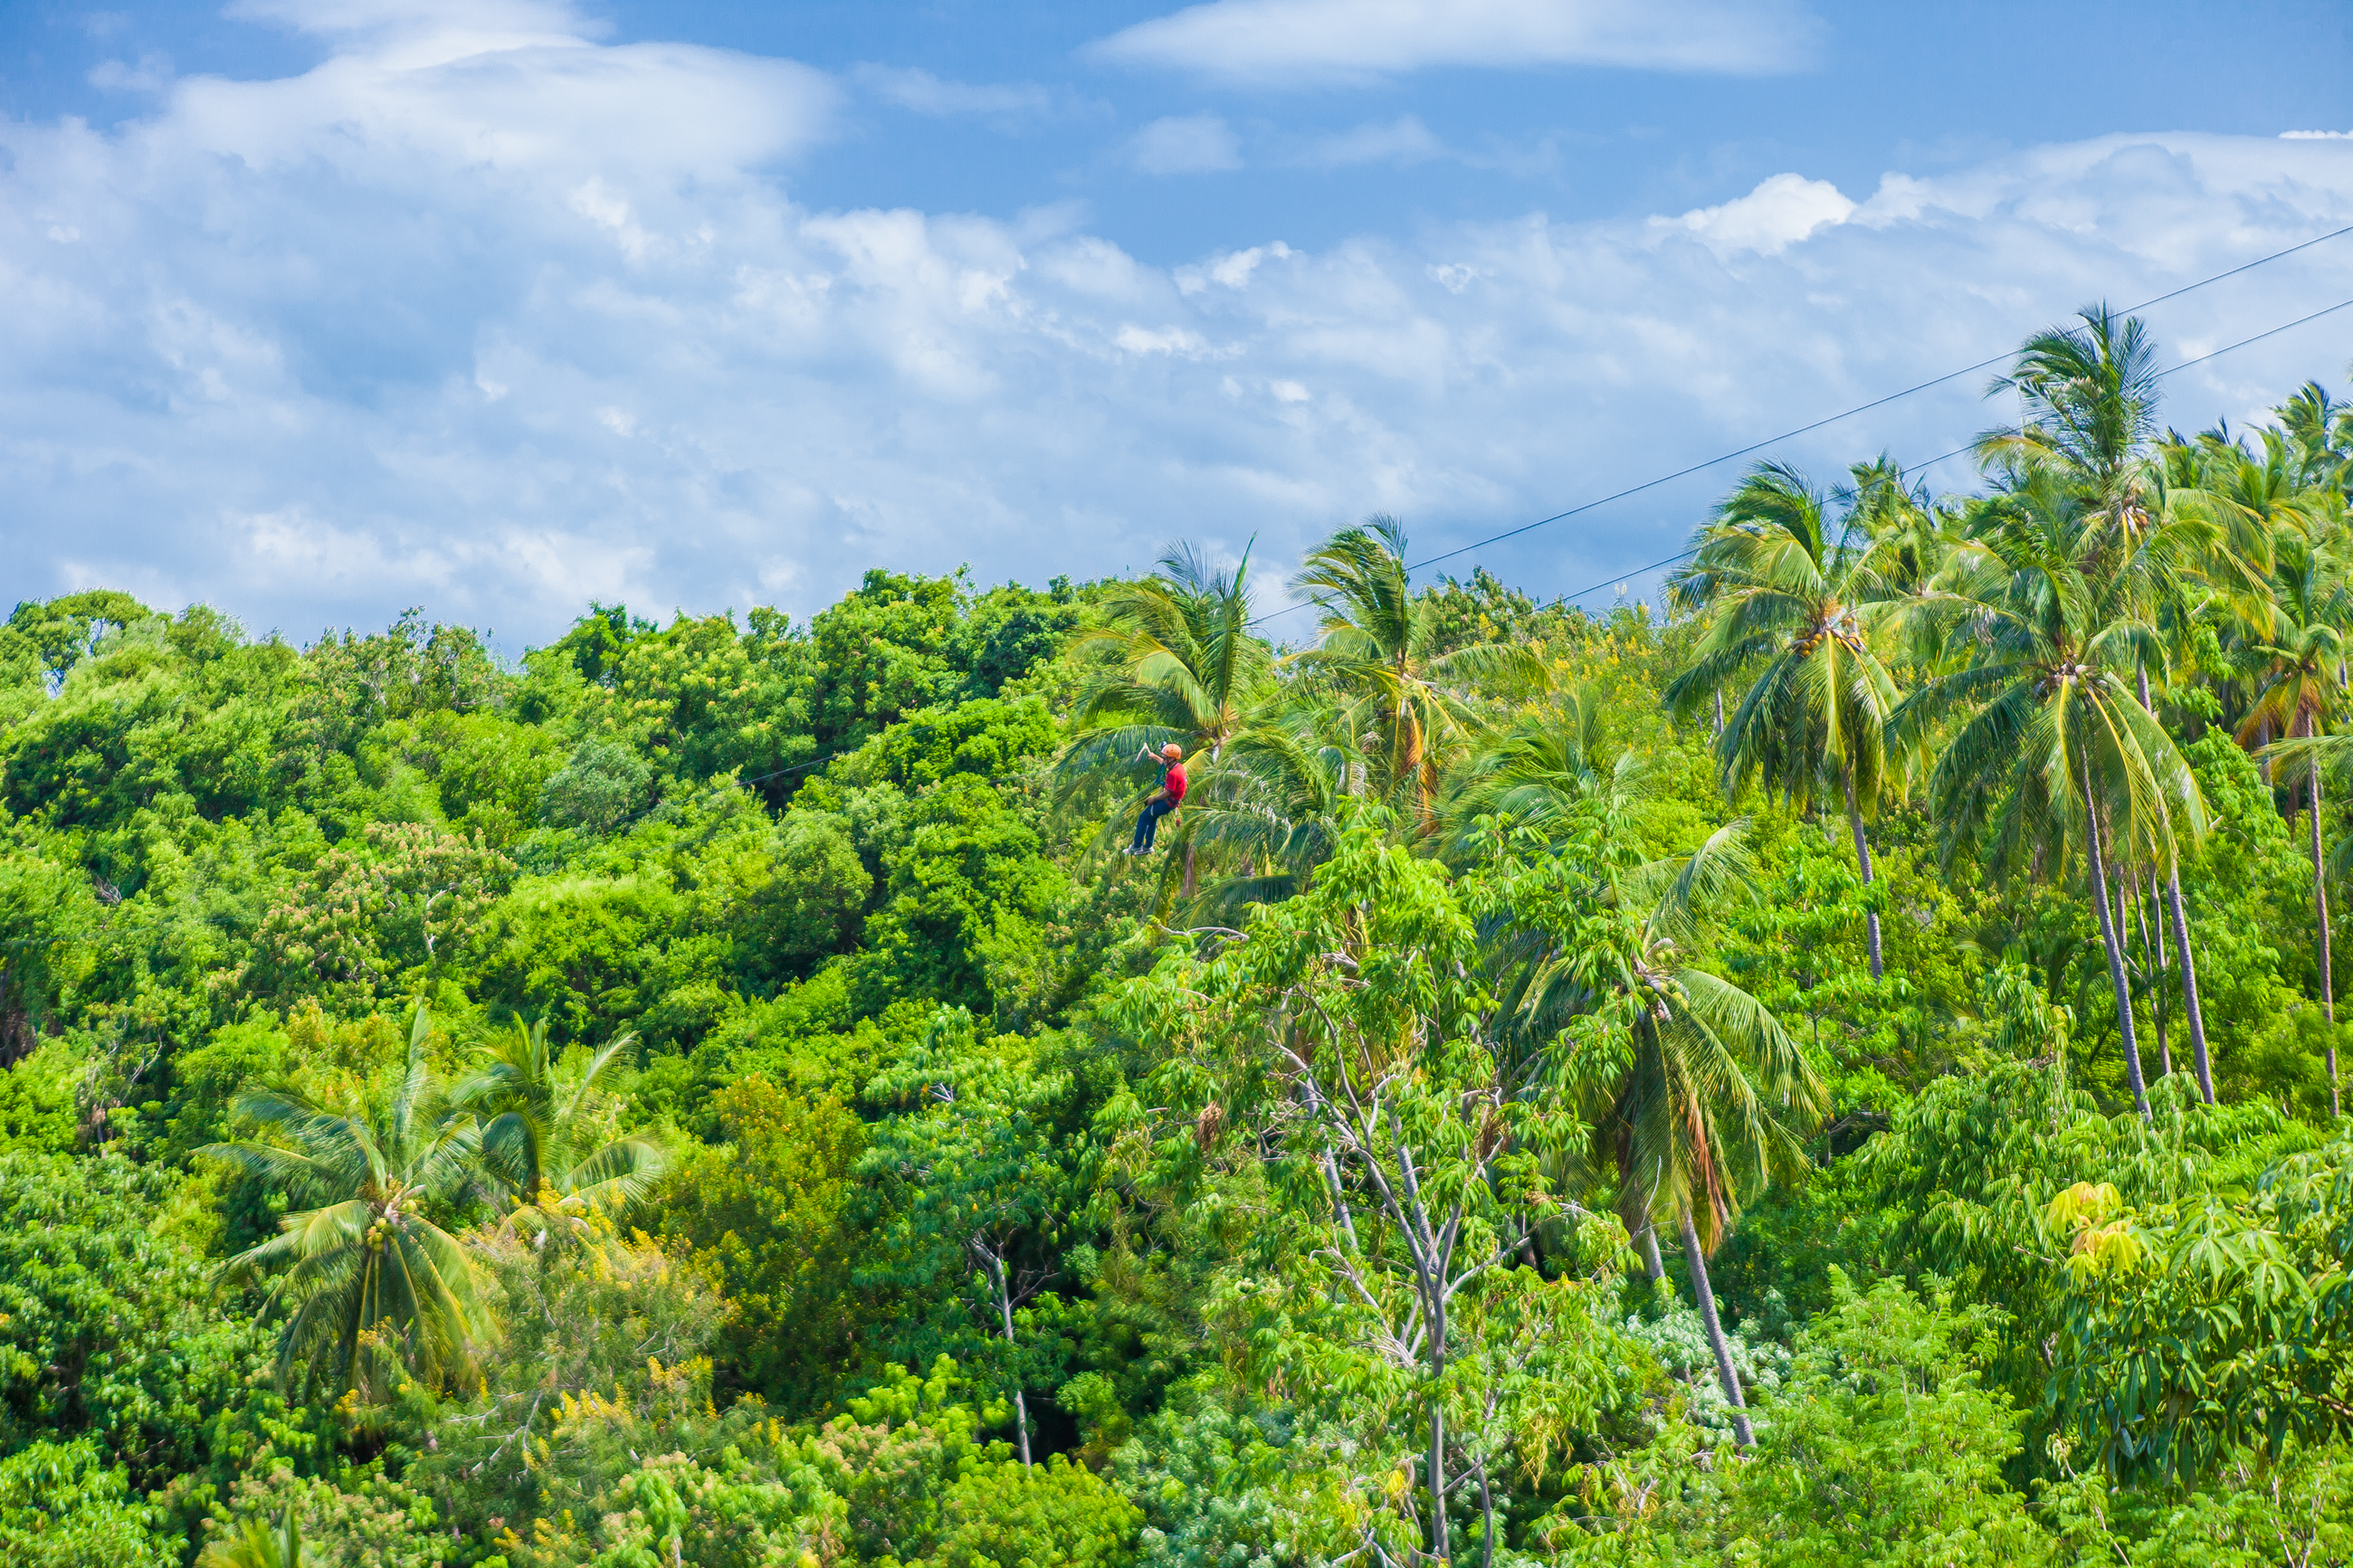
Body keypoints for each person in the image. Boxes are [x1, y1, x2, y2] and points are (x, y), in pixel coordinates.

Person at [1126, 741, 1186, 855]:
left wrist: (1154, 799)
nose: (1163, 760)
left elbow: (1168, 792)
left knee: (1143, 816)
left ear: (1172, 758)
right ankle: (1148, 846)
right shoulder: (1178, 767)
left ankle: (1137, 846)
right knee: (1152, 817)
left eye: (1165, 758)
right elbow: (1163, 764)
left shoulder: (1173, 774)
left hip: (1167, 803)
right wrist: (1154, 757)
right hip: (1172, 802)